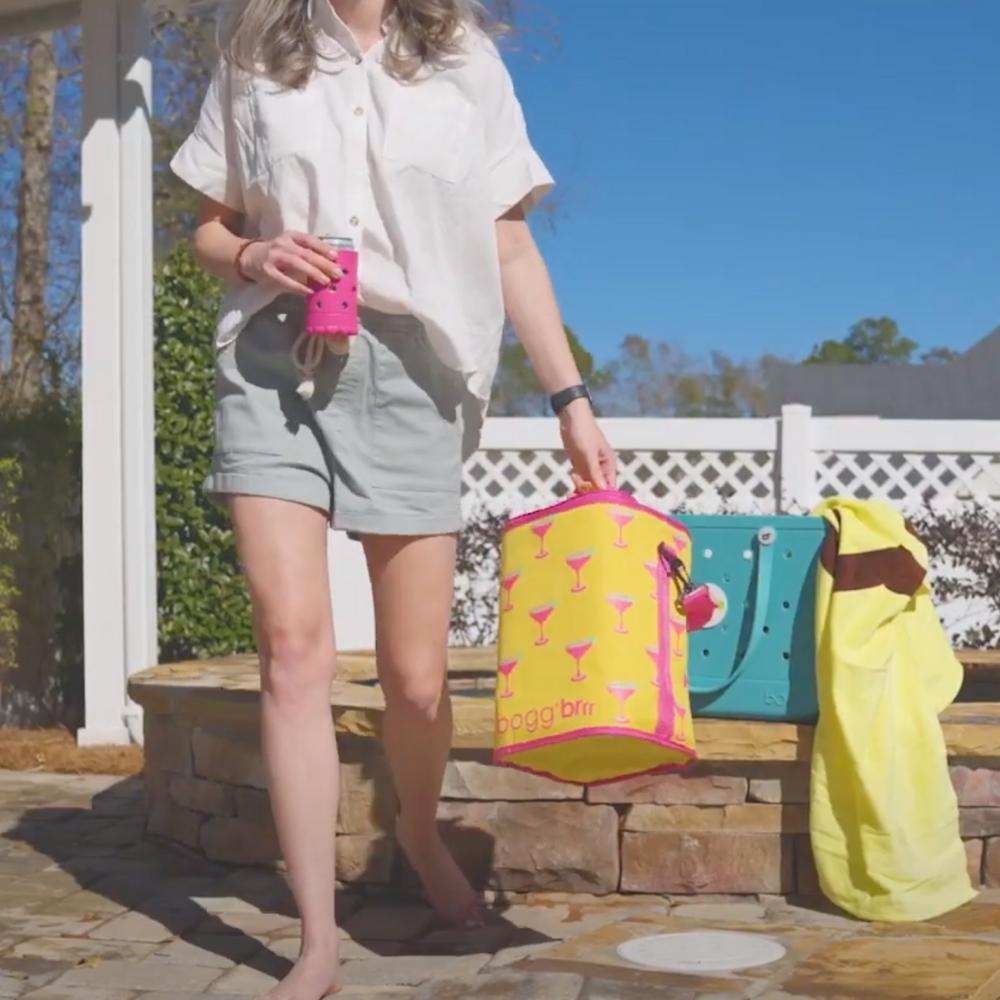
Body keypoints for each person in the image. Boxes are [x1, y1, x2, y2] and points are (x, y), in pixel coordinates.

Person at [172, 0, 616, 997]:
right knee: (293, 651)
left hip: (417, 372)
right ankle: (317, 942)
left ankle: (415, 834)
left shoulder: (465, 60)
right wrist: (250, 254)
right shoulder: (255, 49)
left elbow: (507, 249)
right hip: (271, 361)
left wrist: (571, 400)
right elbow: (209, 222)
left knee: (415, 679)